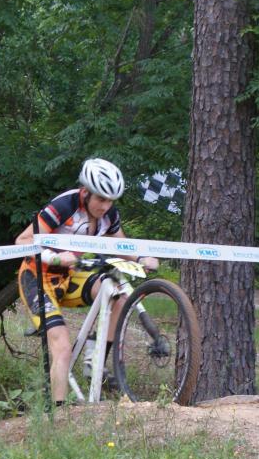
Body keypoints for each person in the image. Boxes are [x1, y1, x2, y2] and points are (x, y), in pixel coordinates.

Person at [14, 157, 159, 406]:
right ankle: (58, 411)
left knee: (117, 293)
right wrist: (55, 257)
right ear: (85, 192)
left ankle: (95, 362)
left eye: (111, 200)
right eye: (101, 199)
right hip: (37, 277)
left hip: (69, 277)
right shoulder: (64, 206)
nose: (106, 205)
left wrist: (141, 257)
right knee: (61, 345)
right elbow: (23, 241)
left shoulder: (108, 214)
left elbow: (118, 244)